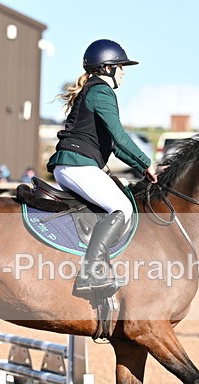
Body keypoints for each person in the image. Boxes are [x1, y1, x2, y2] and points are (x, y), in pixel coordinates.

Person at [47, 39, 156, 297]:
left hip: (72, 165)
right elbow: (120, 137)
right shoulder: (102, 92)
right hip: (78, 166)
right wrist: (148, 163)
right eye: (121, 66)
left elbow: (116, 148)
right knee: (123, 208)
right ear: (107, 68)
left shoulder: (93, 91)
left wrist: (141, 169)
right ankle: (90, 274)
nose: (124, 72)